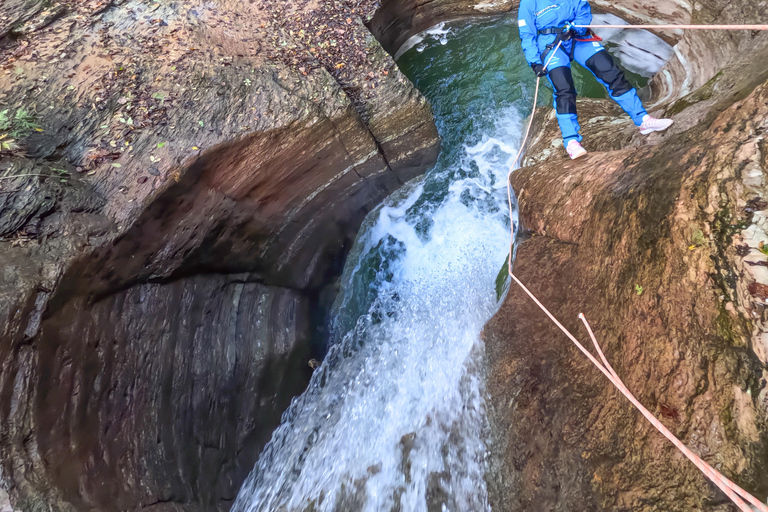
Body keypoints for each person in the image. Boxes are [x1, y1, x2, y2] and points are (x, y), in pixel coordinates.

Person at [517, 0, 674, 159]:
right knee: (564, 89)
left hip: (578, 38)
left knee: (610, 71)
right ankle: (571, 142)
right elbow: (527, 34)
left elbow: (583, 12)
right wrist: (535, 62)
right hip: (551, 44)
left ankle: (643, 120)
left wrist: (576, 28)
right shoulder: (529, 3)